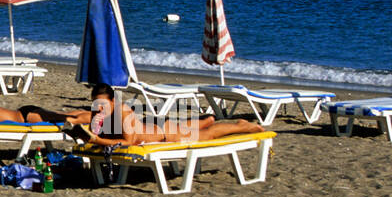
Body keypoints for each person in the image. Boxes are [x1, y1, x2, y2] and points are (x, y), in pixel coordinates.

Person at [69, 83, 263, 147]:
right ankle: (206, 119)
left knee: (209, 134)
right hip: (159, 127)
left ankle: (242, 125)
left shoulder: (122, 112)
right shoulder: (101, 111)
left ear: (113, 100)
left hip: (165, 135)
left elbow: (129, 141)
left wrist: (95, 139)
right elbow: (91, 123)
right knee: (193, 126)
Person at [0, 101, 92, 125]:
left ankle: (95, 117)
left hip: (26, 117)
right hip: (24, 112)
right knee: (64, 114)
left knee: (67, 119)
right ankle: (91, 113)